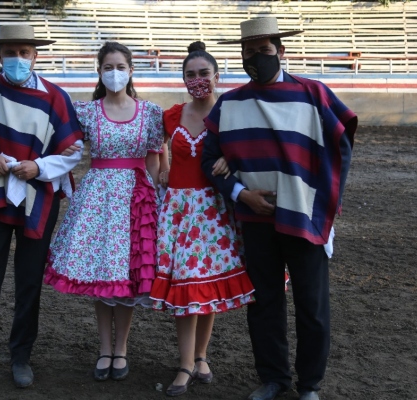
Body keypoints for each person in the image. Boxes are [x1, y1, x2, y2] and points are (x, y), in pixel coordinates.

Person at [201, 17, 357, 400]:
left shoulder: (313, 94)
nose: (257, 57)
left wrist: (320, 202)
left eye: (265, 50)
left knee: (312, 305)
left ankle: (310, 385)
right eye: (249, 51)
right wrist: (240, 192)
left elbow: (341, 148)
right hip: (255, 219)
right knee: (265, 303)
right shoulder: (230, 103)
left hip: (304, 217)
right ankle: (273, 378)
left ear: (281, 51)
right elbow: (209, 160)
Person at [0, 24, 84, 395]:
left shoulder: (56, 98)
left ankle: (20, 357)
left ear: (36, 56)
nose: (18, 59)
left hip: (38, 200)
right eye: (11, 52)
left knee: (28, 284)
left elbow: (73, 151)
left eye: (25, 52)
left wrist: (39, 168)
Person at [43, 41, 164, 382]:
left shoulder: (151, 112)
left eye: (120, 66)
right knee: (101, 274)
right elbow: (64, 148)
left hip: (135, 199)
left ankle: (121, 348)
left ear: (131, 70)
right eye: (107, 67)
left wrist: (156, 197)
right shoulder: (86, 111)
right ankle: (104, 348)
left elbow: (155, 156)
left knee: (125, 278)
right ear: (99, 71)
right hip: (97, 198)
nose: (114, 73)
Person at [149, 41, 256, 397]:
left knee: (204, 286)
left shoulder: (231, 113)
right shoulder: (172, 115)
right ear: (183, 78)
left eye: (203, 73)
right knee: (185, 288)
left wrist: (234, 160)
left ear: (217, 75)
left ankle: (200, 356)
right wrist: (162, 166)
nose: (197, 80)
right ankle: (184, 364)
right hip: (179, 213)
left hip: (214, 210)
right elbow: (154, 148)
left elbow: (252, 149)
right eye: (190, 74)